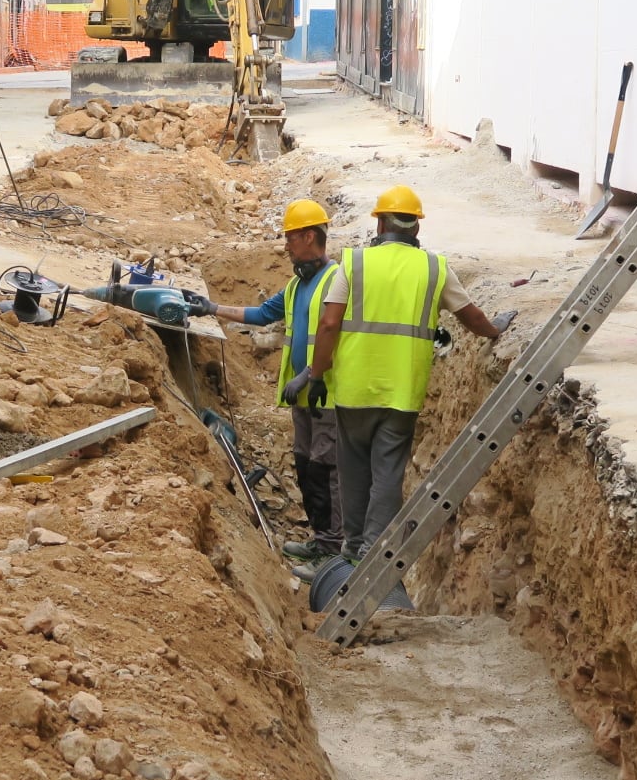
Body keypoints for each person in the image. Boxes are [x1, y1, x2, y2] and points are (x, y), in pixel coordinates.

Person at [285, 186, 510, 557]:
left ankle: (352, 548)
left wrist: (317, 375)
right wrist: (495, 330)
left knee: (353, 472)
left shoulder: (354, 264)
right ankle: (374, 552)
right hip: (402, 393)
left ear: (379, 223)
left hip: (354, 391)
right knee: (387, 474)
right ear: (416, 229)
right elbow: (471, 315)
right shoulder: (434, 268)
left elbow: (328, 326)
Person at [187, 200, 344, 568]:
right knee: (306, 467)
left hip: (327, 394)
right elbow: (260, 315)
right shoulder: (296, 285)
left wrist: (309, 375)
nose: (285, 246)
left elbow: (338, 334)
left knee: (326, 470)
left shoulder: (337, 281)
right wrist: (211, 308)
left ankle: (333, 550)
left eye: (290, 238)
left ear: (309, 236)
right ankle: (321, 540)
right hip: (304, 398)